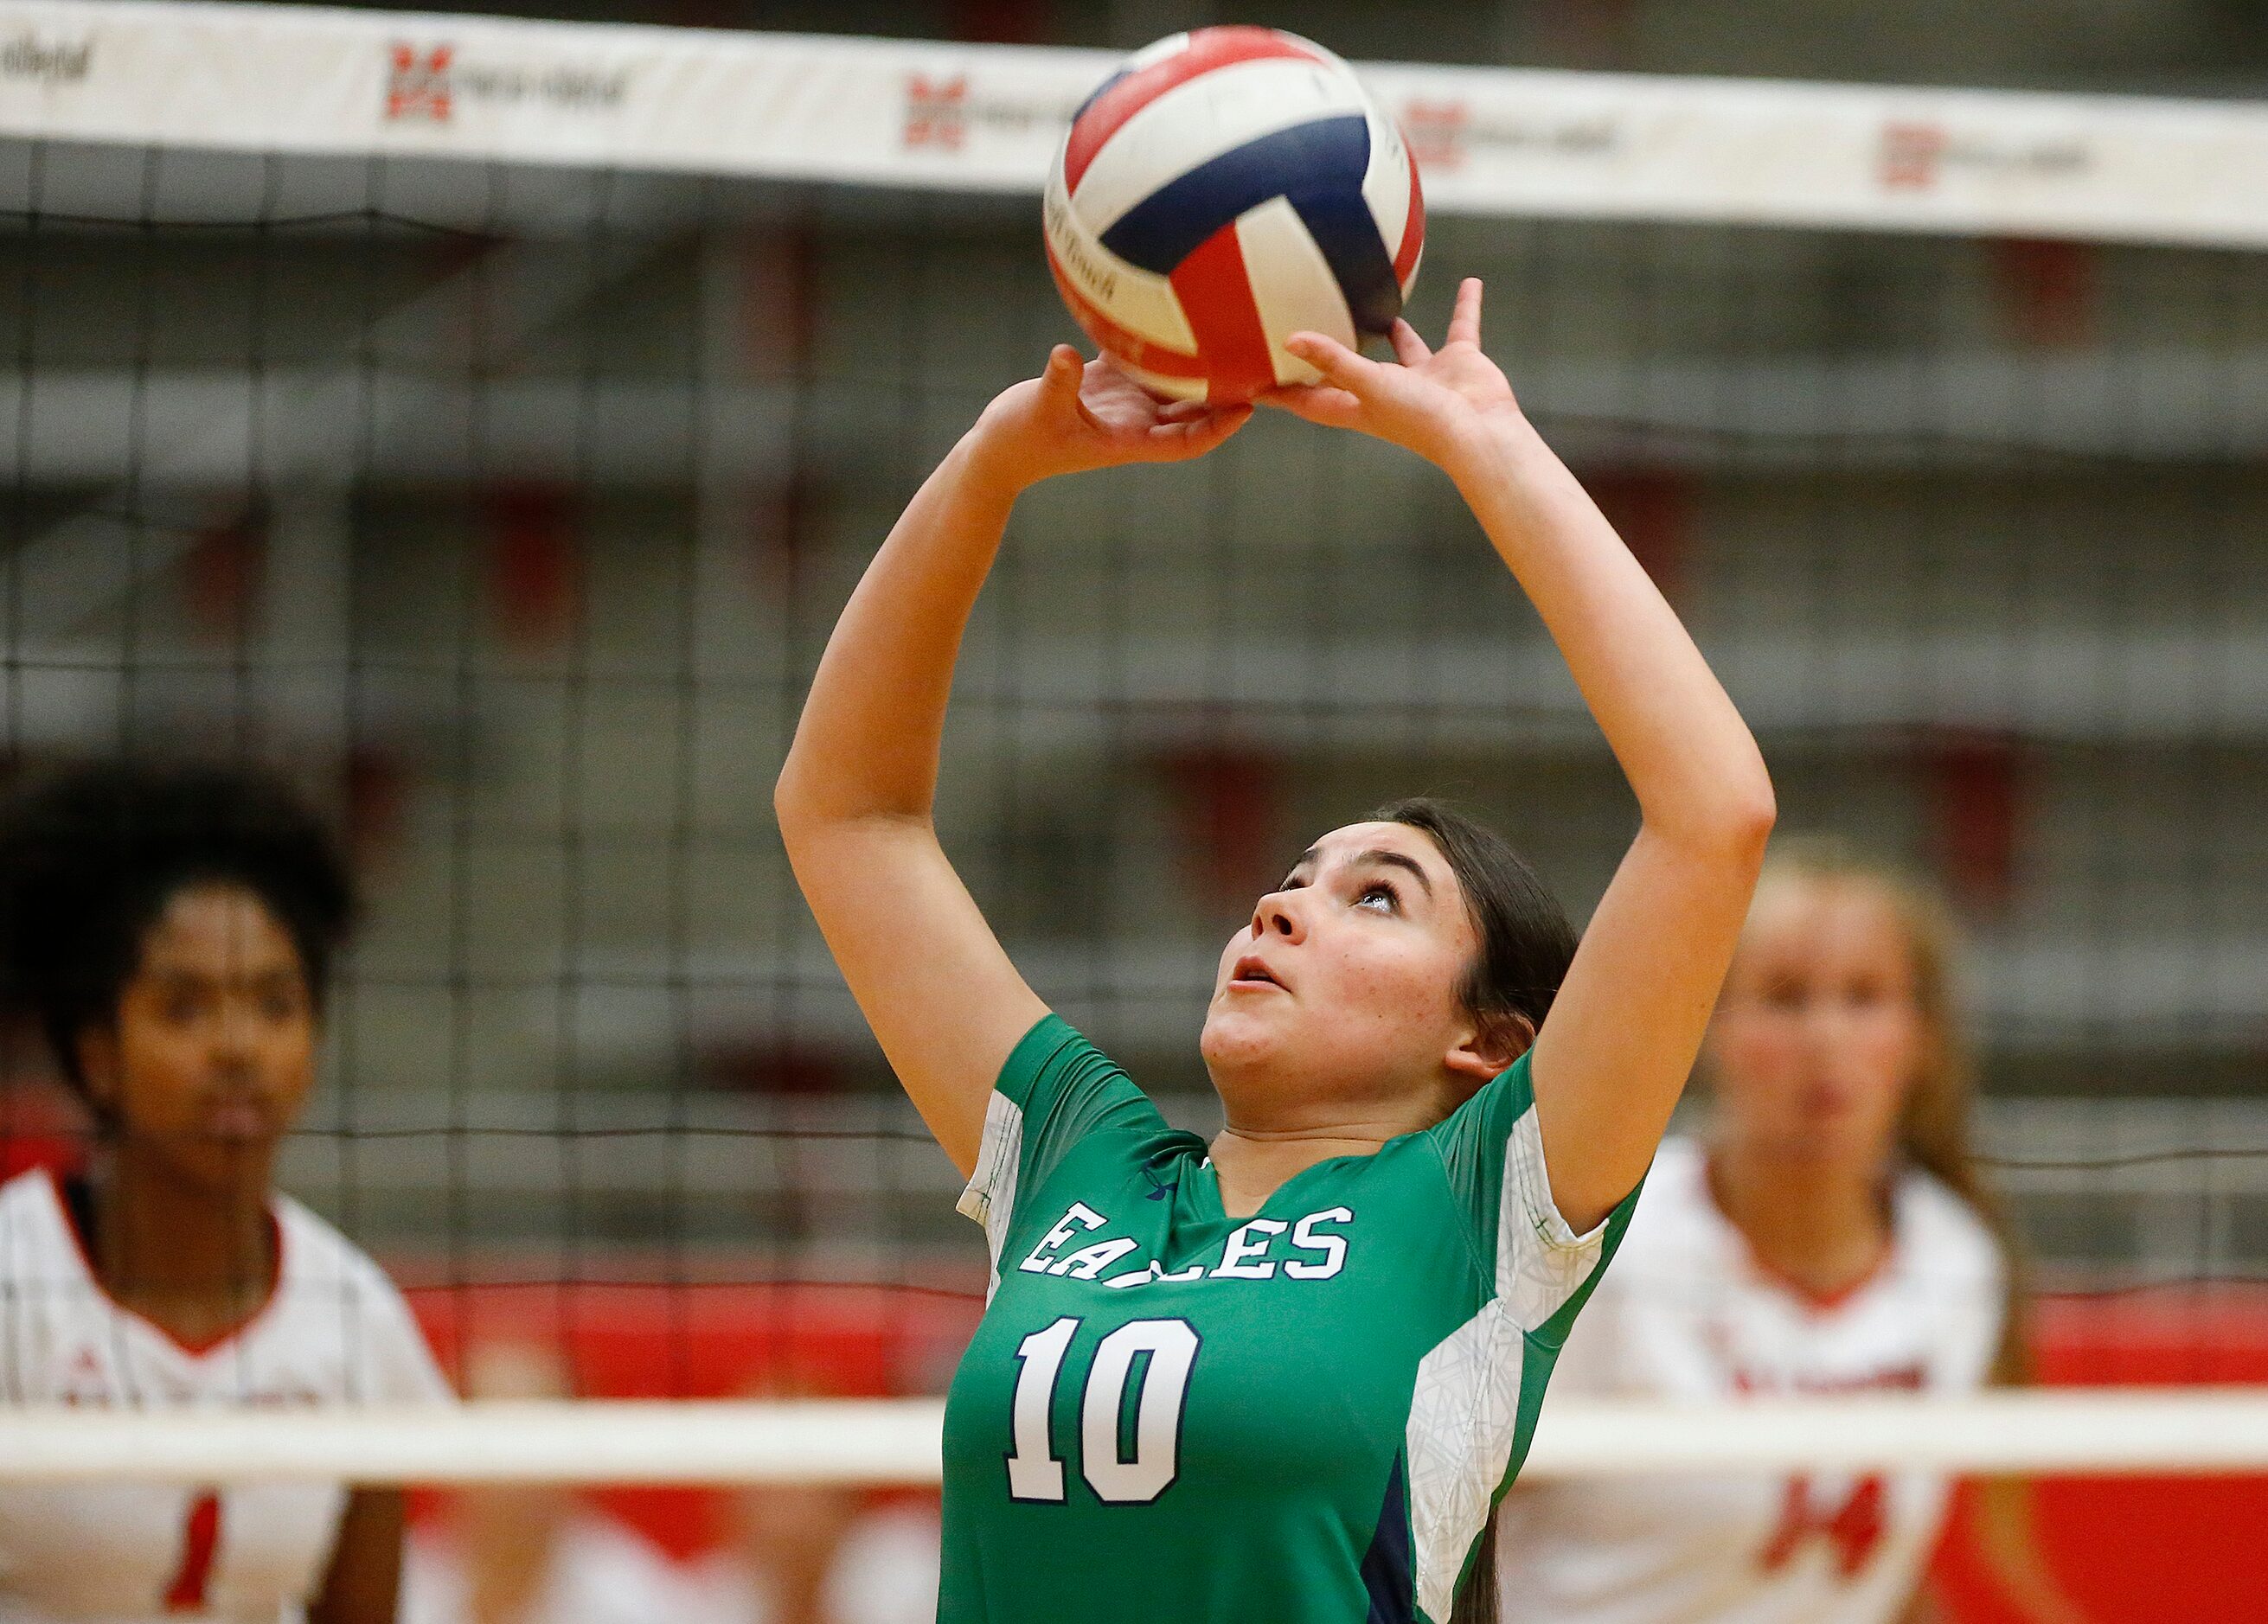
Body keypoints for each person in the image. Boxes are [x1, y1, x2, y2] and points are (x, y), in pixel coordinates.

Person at [774, 279, 1776, 1624]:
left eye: (1376, 898)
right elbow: (846, 816)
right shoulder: (1086, 1159)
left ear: (1484, 1043)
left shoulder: (1479, 1209)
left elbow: (1713, 814)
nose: (1279, 906)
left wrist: (1488, 450)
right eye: (1292, 876)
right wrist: (994, 460)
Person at [1496, 839, 2087, 1623]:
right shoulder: (1607, 1240)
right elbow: (1448, 1517)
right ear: (1709, 1026)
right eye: (1784, 998)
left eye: (1864, 998)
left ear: (1920, 1038)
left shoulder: (1955, 1259)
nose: (1825, 1040)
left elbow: (1860, 1573)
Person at [0, 761, 450, 1624]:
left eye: (275, 1005)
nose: (239, 1047)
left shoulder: (355, 1318)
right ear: (96, 1054)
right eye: (184, 1007)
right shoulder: (18, 1286)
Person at [404, 1339, 697, 1624]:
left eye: (531, 1444)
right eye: (492, 1443)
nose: (511, 1476)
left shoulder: (638, 1600)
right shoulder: (402, 1584)